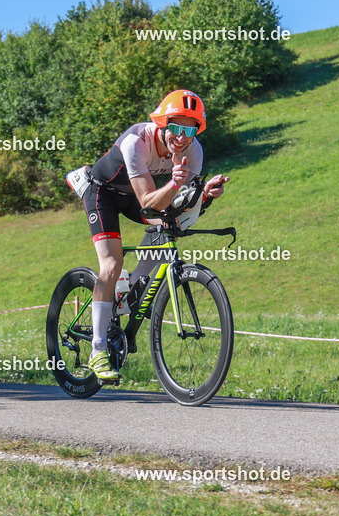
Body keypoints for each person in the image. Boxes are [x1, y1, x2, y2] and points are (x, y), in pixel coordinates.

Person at [82, 90, 229, 381]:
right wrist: (174, 185)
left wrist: (205, 195)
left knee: (170, 225)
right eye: (175, 127)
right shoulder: (137, 141)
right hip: (102, 193)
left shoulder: (193, 151)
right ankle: (97, 350)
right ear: (162, 123)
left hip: (139, 196)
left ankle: (133, 290)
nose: (182, 137)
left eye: (190, 130)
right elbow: (149, 202)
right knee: (111, 264)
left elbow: (183, 205)